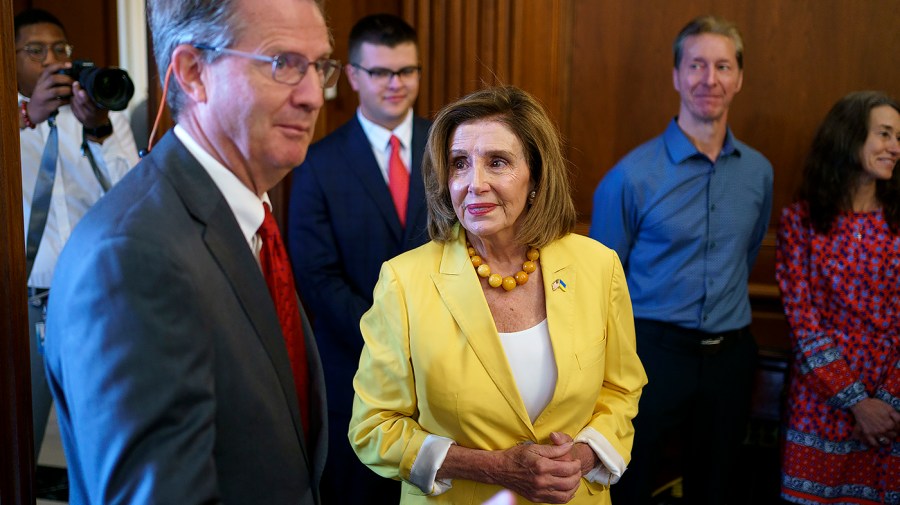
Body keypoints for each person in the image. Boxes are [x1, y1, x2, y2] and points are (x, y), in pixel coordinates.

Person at [42, 0, 339, 502]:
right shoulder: (134, 256)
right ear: (194, 72)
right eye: (283, 64)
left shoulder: (244, 217)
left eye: (319, 66)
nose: (313, 95)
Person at [349, 85, 647, 504]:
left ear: (536, 176)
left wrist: (581, 457)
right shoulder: (404, 280)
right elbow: (373, 426)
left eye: (498, 162)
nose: (475, 184)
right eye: (459, 164)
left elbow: (620, 390)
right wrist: (495, 468)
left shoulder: (598, 267)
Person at [589, 15, 773, 505]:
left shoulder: (758, 173)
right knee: (627, 486)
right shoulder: (629, 177)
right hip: (652, 355)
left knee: (716, 489)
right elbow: (601, 286)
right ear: (676, 75)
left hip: (730, 359)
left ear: (739, 78)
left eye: (722, 66)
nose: (708, 80)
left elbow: (749, 250)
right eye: (696, 65)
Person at [287, 13, 430, 503]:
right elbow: (315, 277)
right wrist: (389, 337)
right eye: (380, 72)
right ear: (351, 75)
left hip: (444, 367)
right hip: (354, 371)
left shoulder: (452, 149)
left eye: (406, 71)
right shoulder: (316, 162)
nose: (396, 84)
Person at [15, 7, 139, 460]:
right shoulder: (10, 123)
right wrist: (27, 116)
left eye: (60, 50)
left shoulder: (103, 116)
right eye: (35, 51)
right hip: (24, 302)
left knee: (103, 430)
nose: (51, 61)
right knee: (18, 435)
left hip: (96, 297)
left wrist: (100, 129)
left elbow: (136, 198)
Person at [776, 91, 900, 504]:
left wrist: (884, 403)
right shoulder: (801, 222)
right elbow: (803, 323)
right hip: (820, 402)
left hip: (892, 410)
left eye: (898, 137)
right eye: (884, 134)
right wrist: (855, 401)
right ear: (849, 138)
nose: (895, 147)